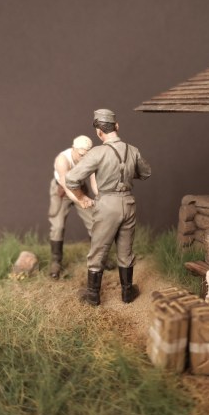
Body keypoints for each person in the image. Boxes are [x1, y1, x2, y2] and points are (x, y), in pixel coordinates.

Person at [65, 109, 151, 305]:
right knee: (126, 250)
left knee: (99, 249)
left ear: (98, 132)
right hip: (128, 203)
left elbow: (71, 179)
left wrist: (81, 197)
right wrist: (125, 172)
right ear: (117, 126)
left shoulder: (97, 152)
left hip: (107, 204)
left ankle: (93, 295)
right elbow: (146, 173)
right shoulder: (133, 150)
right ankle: (127, 292)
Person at [48, 135, 97, 279]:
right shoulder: (62, 160)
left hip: (81, 189)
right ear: (74, 149)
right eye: (81, 154)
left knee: (95, 223)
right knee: (57, 226)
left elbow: (94, 180)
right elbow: (66, 185)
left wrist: (99, 196)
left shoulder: (91, 157)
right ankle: (56, 261)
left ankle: (98, 258)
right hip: (63, 192)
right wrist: (80, 199)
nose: (84, 158)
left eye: (87, 154)